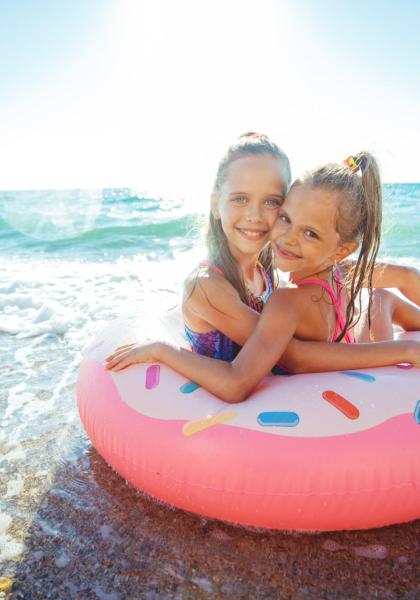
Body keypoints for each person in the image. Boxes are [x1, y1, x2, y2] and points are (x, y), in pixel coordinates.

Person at [106, 151, 420, 398]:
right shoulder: (334, 270)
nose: (258, 217)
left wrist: (161, 349)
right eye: (286, 218)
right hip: (333, 363)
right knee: (382, 298)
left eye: (271, 203)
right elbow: (406, 275)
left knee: (382, 298)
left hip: (301, 388)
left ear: (340, 250)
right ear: (216, 204)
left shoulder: (283, 290)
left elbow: (252, 375)